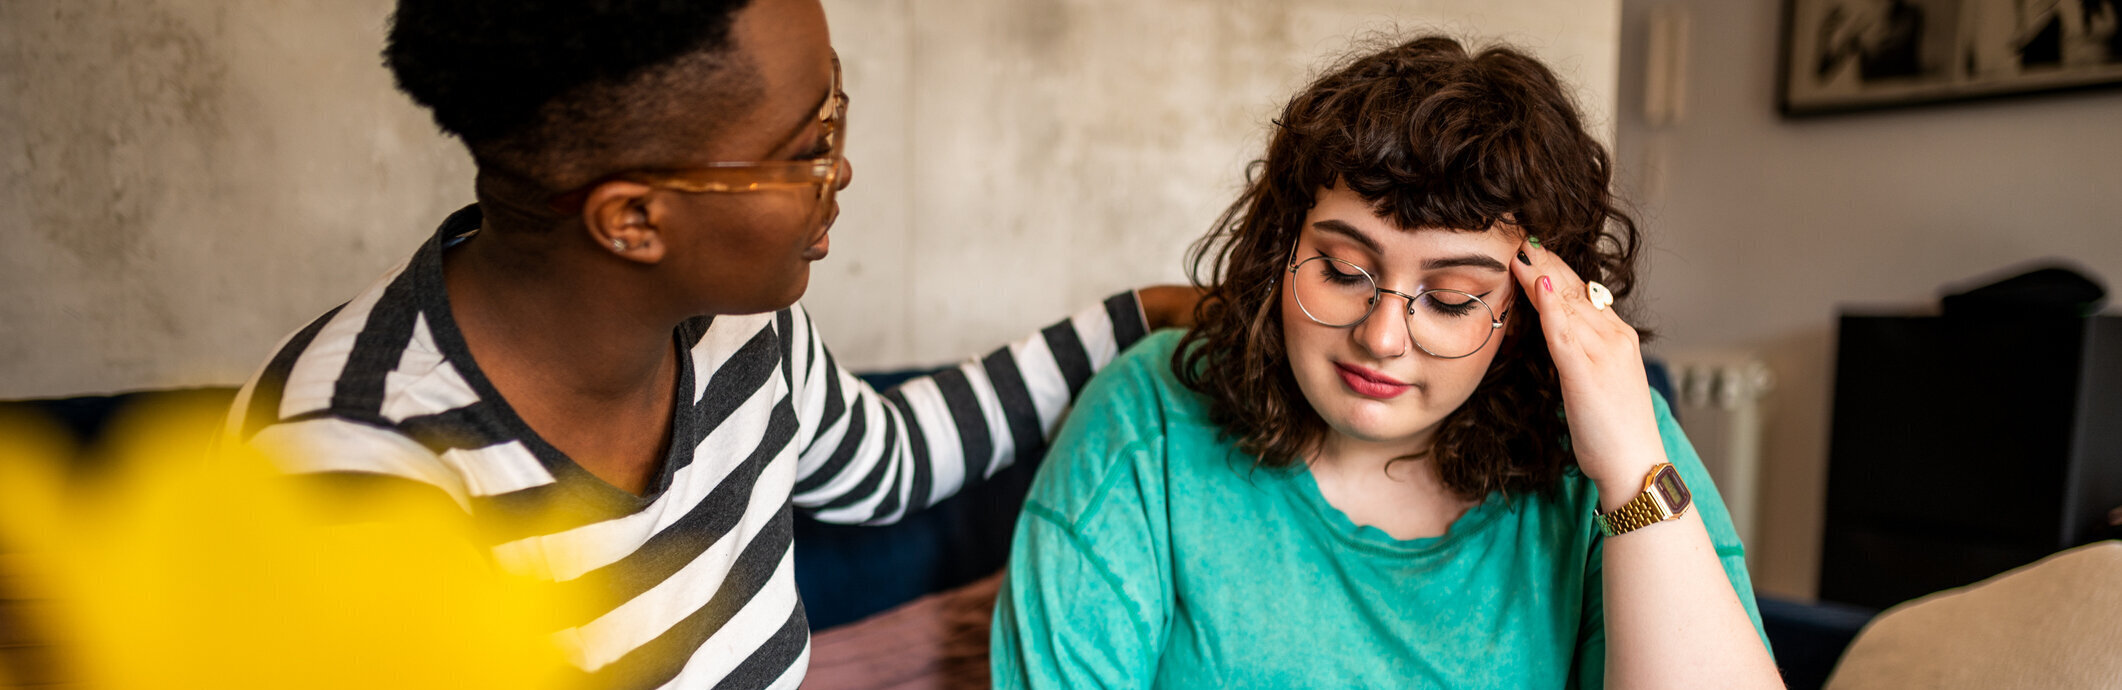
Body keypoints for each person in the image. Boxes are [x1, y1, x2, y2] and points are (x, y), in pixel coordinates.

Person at [221, 0, 1196, 687]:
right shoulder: (353, 473)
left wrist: (1147, 314)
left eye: (834, 113)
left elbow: (887, 462)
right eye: (801, 148)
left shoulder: (741, 328)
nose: (840, 167)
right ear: (634, 221)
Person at [991, 36, 1781, 688]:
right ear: (1281, 251)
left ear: (1529, 313)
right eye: (1341, 272)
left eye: (1452, 299)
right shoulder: (1153, 415)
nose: (1382, 337)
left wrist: (1628, 468)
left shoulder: (1622, 449)